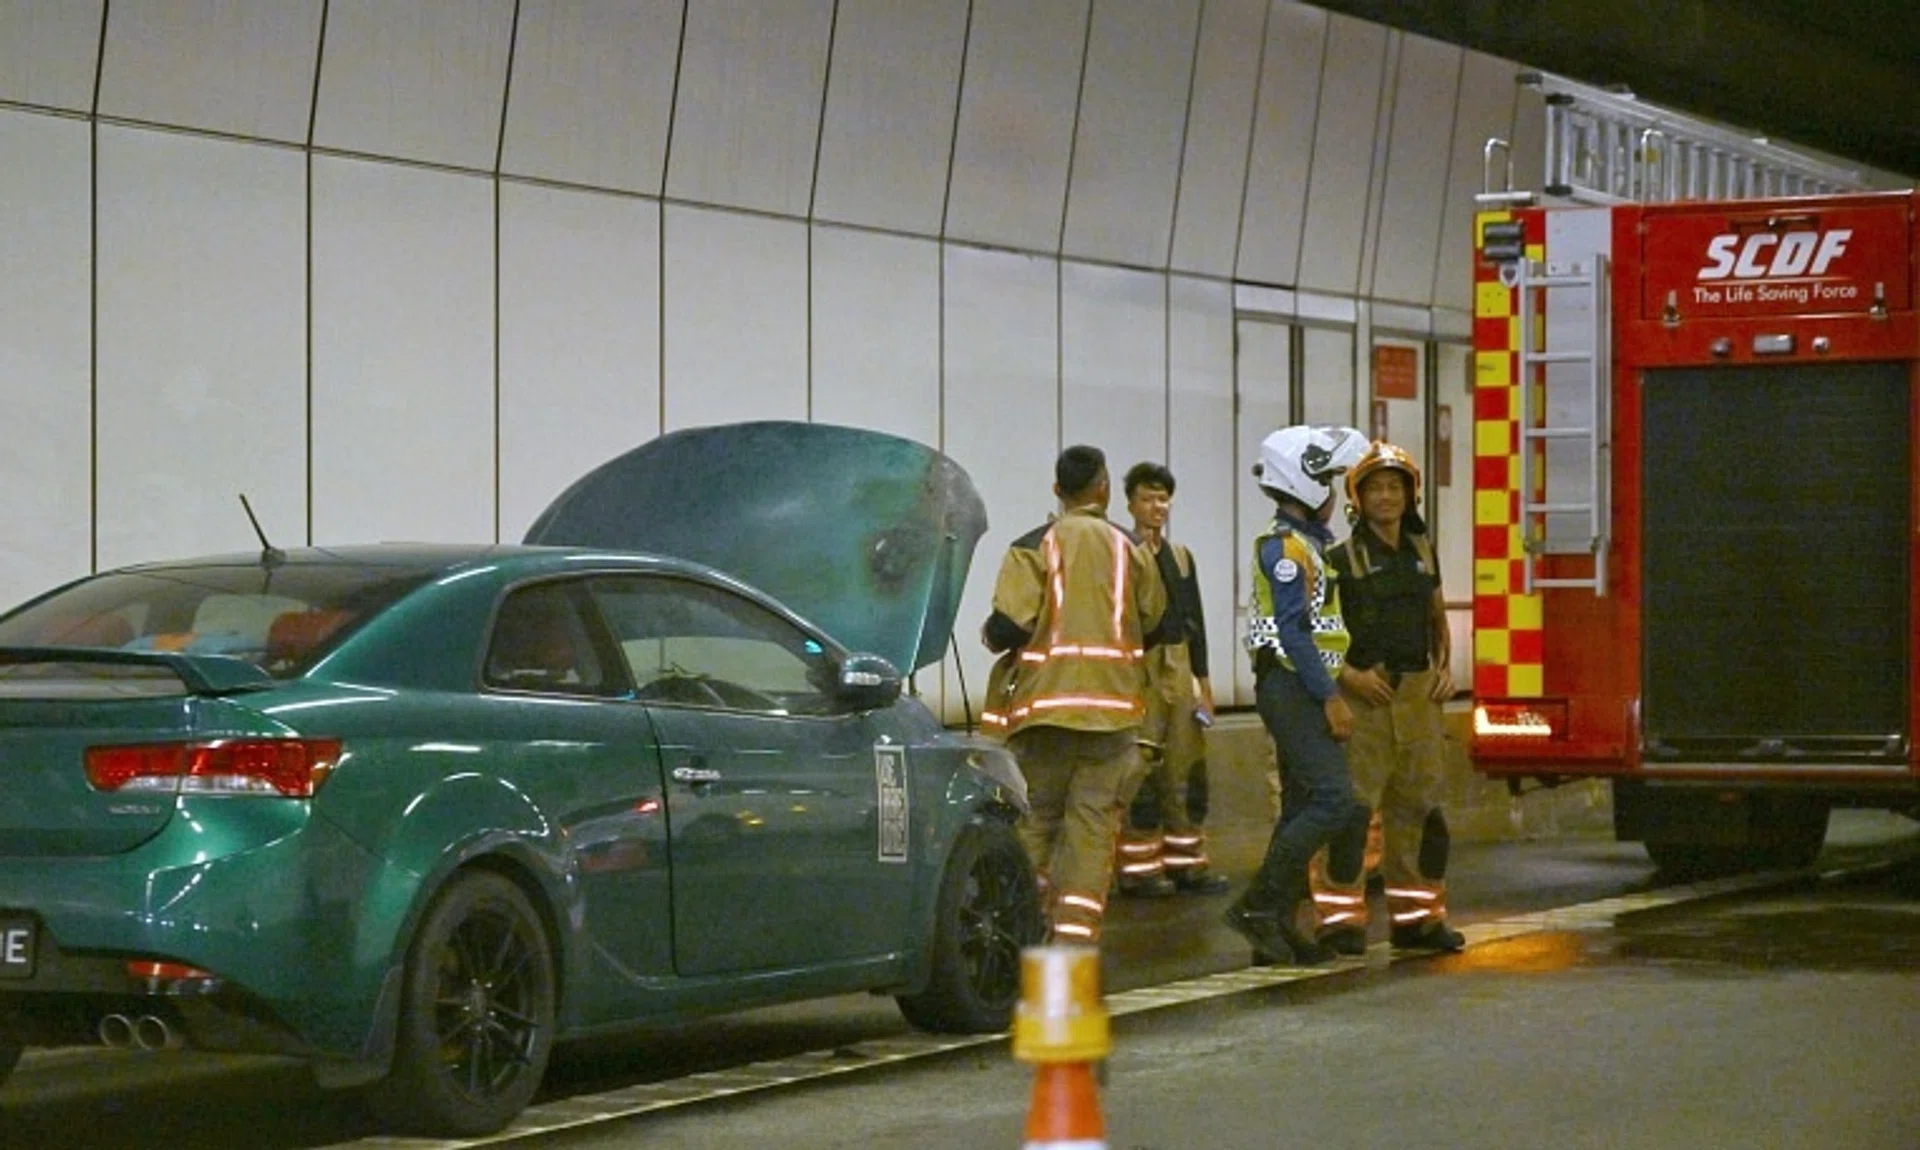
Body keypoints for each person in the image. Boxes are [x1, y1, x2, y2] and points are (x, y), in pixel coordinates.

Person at [981, 445, 1167, 944]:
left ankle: (1018, 934)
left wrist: (989, 635)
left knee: (1034, 824)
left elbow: (1009, 625)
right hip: (1113, 722)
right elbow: (1156, 621)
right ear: (1104, 489)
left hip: (1044, 716)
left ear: (1057, 491)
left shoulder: (1033, 545)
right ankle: (1073, 942)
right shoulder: (1133, 550)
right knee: (1091, 831)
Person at [1224, 424, 1371, 966]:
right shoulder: (1285, 549)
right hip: (1291, 685)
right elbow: (1293, 630)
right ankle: (1259, 905)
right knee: (1337, 800)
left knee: (1303, 805)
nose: (1335, 492)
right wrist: (1330, 696)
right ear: (1305, 483)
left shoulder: (1306, 545)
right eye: (1328, 479)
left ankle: (1276, 927)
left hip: (1296, 684)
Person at [1312, 441, 1466, 954]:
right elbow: (1317, 632)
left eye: (1394, 487)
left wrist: (1445, 670)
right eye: (1375, 487)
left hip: (1419, 697)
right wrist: (1350, 676)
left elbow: (1436, 620)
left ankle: (1418, 919)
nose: (1386, 496)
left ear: (1410, 494)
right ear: (1357, 497)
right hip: (1365, 702)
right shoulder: (1337, 560)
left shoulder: (1423, 553)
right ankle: (1339, 922)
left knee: (1421, 812)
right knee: (1352, 815)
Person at [1114, 461, 1230, 897]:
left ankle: (1187, 863)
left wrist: (1204, 682)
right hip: (1140, 668)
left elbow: (1194, 619)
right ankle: (1138, 869)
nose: (1156, 507)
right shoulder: (1122, 552)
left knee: (1186, 766)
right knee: (1139, 770)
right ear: (1130, 504)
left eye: (1163, 498)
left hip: (1180, 666)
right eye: (1147, 498)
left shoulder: (1181, 556)